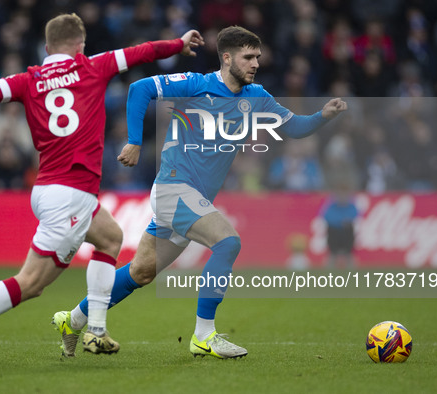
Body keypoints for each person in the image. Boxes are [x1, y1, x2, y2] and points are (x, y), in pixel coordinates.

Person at [0, 13, 203, 369]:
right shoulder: (92, 67)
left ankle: (96, 330)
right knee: (31, 283)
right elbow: (140, 52)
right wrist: (179, 43)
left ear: (46, 47)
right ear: (79, 46)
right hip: (71, 193)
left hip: (48, 190)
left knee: (110, 239)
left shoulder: (27, 79)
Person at [55, 26, 347, 359]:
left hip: (194, 198)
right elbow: (139, 89)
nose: (255, 64)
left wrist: (323, 116)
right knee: (228, 241)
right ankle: (204, 335)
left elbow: (294, 127)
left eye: (258, 58)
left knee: (141, 271)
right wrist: (135, 140)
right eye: (248, 57)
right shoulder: (197, 84)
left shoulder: (258, 96)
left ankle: (73, 320)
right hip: (173, 188)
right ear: (226, 57)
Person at [320, 184, 359, 268]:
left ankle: (353, 275)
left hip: (347, 231)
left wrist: (345, 221)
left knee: (349, 254)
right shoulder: (331, 205)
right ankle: (327, 274)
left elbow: (355, 215)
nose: (342, 196)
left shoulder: (351, 205)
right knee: (332, 254)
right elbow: (326, 216)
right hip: (334, 231)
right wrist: (340, 221)